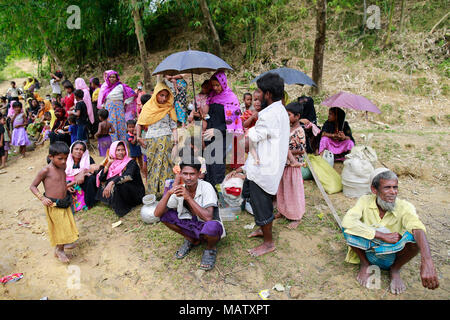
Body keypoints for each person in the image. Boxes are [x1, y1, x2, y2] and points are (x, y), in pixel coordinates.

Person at [342, 168, 439, 295]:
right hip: (368, 248)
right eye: (387, 187)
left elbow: (418, 227)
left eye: (395, 187)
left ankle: (395, 269)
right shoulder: (364, 201)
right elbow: (348, 222)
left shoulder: (405, 206)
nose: (393, 192)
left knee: (414, 238)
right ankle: (365, 264)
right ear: (374, 190)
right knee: (348, 229)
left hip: (393, 253)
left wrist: (427, 261)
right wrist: (381, 235)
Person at [228, 73, 290, 257]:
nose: (257, 96)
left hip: (264, 169)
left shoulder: (270, 115)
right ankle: (263, 229)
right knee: (253, 198)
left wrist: (230, 144)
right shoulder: (279, 111)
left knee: (262, 204)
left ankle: (269, 243)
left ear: (268, 94)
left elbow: (249, 141)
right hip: (263, 165)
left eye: (260, 92)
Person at [154, 160, 225, 271]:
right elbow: (157, 214)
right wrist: (168, 193)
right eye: (185, 174)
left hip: (206, 225)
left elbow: (208, 217)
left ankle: (210, 248)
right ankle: (192, 240)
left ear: (199, 174)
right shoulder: (180, 188)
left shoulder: (206, 187)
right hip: (192, 224)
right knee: (165, 216)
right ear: (180, 174)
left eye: (192, 174)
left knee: (212, 227)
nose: (188, 177)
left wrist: (188, 197)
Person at [30, 141, 78, 263]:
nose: (63, 161)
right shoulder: (45, 171)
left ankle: (59, 248)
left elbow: (60, 181)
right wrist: (42, 198)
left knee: (66, 224)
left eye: (66, 158)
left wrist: (67, 187)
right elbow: (33, 186)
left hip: (64, 201)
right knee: (60, 227)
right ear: (50, 157)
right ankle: (60, 250)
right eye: (60, 158)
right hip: (53, 204)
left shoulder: (63, 167)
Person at [136, 81, 178, 198]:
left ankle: (167, 193)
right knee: (153, 166)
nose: (164, 98)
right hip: (151, 141)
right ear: (156, 94)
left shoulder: (169, 107)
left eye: (166, 95)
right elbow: (139, 123)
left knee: (167, 166)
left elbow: (174, 127)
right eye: (161, 95)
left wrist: (175, 144)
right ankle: (153, 193)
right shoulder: (148, 107)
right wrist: (139, 137)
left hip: (166, 140)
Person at [203, 71, 244, 186]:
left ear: (223, 83)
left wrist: (217, 130)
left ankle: (218, 190)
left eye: (217, 85)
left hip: (223, 135)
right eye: (213, 85)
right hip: (209, 135)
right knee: (208, 164)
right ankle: (209, 190)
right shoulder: (211, 96)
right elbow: (209, 116)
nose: (215, 88)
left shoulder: (231, 98)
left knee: (217, 163)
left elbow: (233, 121)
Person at [275, 102, 306, 229]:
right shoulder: (287, 128)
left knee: (293, 190)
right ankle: (283, 211)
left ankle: (296, 216)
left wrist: (285, 151)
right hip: (283, 164)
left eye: (289, 115)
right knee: (282, 189)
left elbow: (301, 149)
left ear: (297, 116)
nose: (287, 117)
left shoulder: (299, 131)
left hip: (293, 166)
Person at [95, 141, 145, 217]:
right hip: (125, 187)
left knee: (117, 185)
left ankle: (123, 209)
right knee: (105, 182)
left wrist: (112, 182)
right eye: (118, 150)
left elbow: (128, 176)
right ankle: (111, 201)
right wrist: (108, 164)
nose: (121, 152)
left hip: (135, 191)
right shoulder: (113, 162)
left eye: (123, 150)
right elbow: (101, 178)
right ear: (113, 151)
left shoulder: (131, 162)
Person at [97, 70, 137, 141]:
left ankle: (122, 142)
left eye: (113, 77)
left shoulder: (121, 86)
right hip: (109, 108)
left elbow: (132, 94)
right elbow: (103, 99)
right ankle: (113, 143)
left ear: (116, 78)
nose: (112, 78)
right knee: (111, 123)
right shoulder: (106, 88)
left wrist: (126, 102)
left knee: (120, 124)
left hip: (119, 107)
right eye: (110, 77)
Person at [66, 141, 99, 210]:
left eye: (81, 150)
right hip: (69, 183)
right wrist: (67, 185)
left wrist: (82, 172)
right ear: (72, 150)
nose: (79, 151)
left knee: (91, 178)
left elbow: (94, 168)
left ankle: (90, 202)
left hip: (82, 182)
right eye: (76, 149)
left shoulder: (87, 158)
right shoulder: (66, 160)